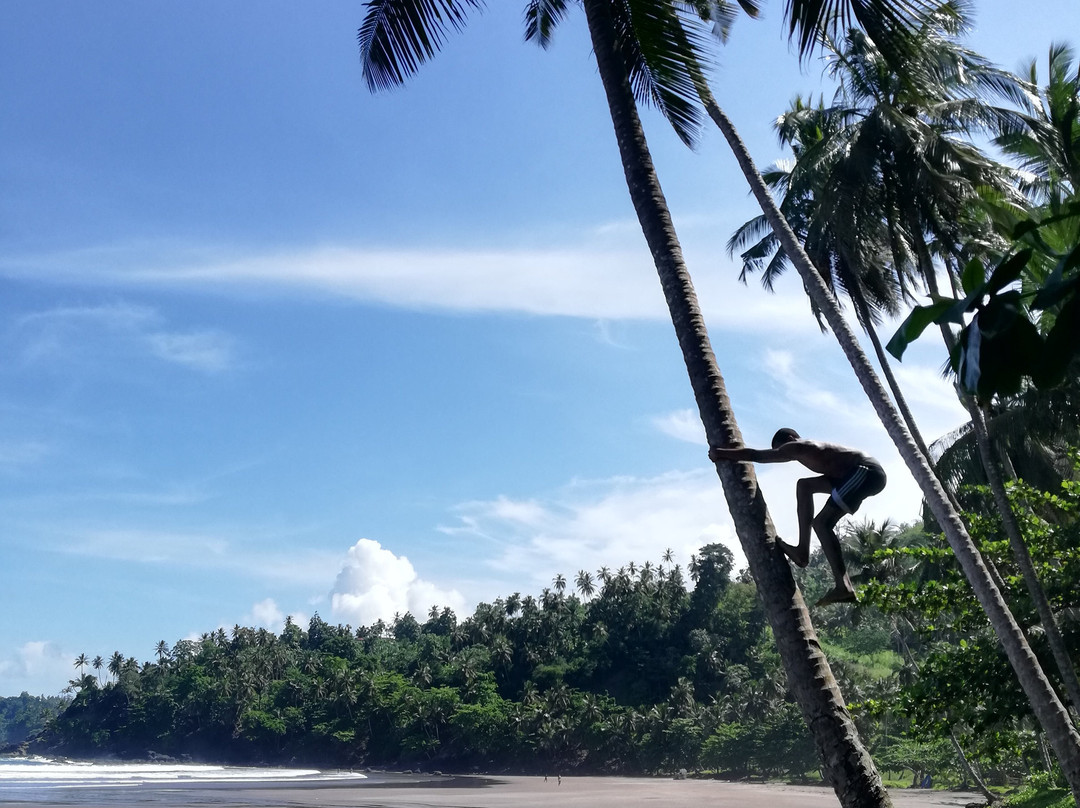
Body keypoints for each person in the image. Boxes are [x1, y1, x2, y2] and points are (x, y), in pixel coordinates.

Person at [708, 427, 886, 606]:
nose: (783, 454)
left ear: (792, 438)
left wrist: (721, 453)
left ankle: (844, 586)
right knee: (804, 486)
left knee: (822, 524)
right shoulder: (810, 450)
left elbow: (757, 455)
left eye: (782, 449)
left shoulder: (800, 445)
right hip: (848, 475)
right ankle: (802, 551)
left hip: (866, 472)